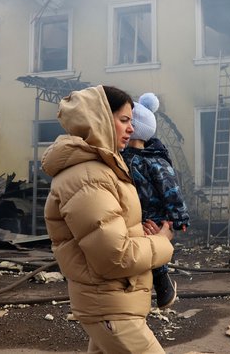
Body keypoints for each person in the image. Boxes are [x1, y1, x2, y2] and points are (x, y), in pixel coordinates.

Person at [42, 85, 174, 354]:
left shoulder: (102, 169)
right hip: (112, 309)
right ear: (99, 119)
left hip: (114, 304)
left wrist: (143, 235)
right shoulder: (88, 177)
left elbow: (112, 235)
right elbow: (114, 256)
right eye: (124, 120)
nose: (131, 129)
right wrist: (162, 242)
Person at [121, 92, 190, 310]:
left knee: (152, 252)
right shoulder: (133, 158)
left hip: (148, 215)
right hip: (138, 215)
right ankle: (155, 290)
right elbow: (172, 190)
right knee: (145, 254)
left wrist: (178, 218)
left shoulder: (149, 160)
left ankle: (162, 286)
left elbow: (171, 190)